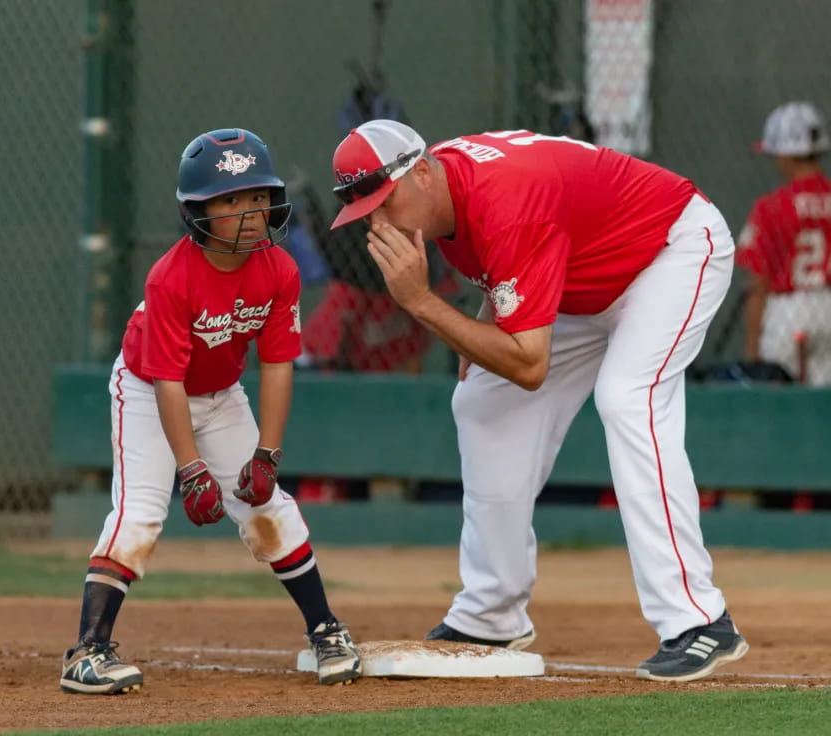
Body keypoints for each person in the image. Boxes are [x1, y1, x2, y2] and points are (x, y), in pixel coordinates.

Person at [328, 119, 749, 683]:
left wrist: (423, 303)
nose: (379, 221)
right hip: (580, 281)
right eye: (365, 212)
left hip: (668, 252)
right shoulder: (444, 190)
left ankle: (699, 620)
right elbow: (510, 260)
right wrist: (478, 322)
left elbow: (529, 363)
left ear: (423, 173)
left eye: (385, 201)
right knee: (482, 400)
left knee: (628, 399)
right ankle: (490, 612)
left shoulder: (505, 200)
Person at [59, 128, 361, 695]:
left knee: (267, 507)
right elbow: (168, 381)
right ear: (197, 211)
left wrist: (268, 452)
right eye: (229, 201)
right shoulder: (171, 278)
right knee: (142, 512)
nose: (248, 213)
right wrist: (191, 467)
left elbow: (276, 366)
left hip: (223, 396)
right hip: (149, 392)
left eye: (256, 198)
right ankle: (88, 652)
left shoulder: (280, 270)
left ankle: (325, 629)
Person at [736, 101, 831, 385]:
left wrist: (751, 349)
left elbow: (758, 283)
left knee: (778, 401)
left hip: (786, 309)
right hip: (827, 304)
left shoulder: (772, 206)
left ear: (787, 154)